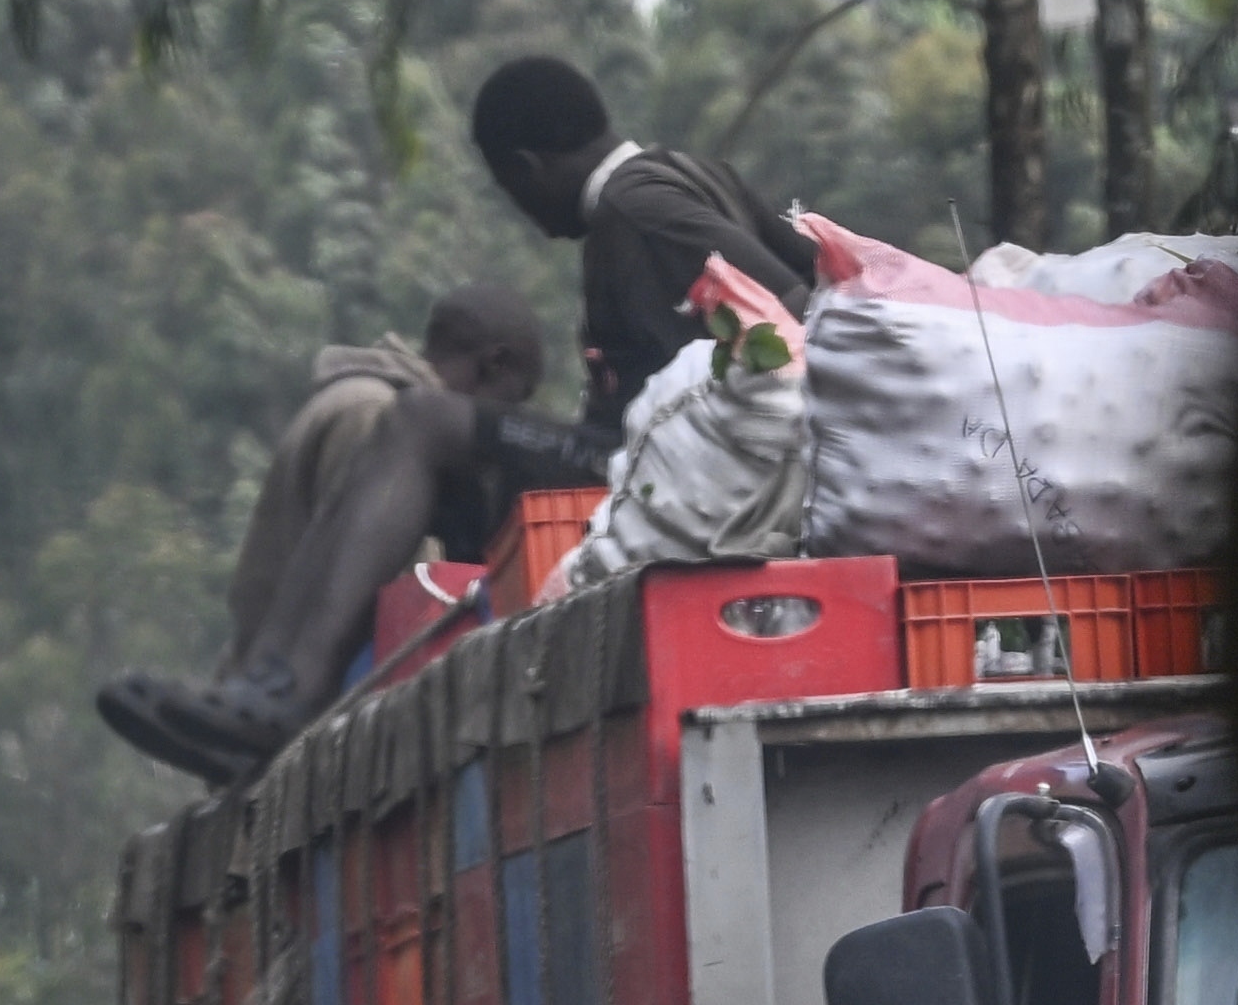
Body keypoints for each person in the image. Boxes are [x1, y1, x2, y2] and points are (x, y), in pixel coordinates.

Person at [97, 294, 550, 787]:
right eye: (517, 396)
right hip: (303, 725)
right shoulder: (377, 417)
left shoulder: (355, 401)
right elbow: (389, 597)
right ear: (493, 364)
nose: (507, 417)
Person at [467, 54, 813, 438]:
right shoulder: (691, 170)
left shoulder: (631, 211)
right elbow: (816, 273)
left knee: (443, 421)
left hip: (719, 455)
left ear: (526, 168)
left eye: (509, 186)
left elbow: (796, 303)